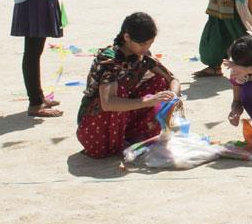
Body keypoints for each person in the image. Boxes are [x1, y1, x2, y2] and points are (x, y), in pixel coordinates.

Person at [76, 12, 182, 158]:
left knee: (160, 82)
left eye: (149, 44)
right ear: (126, 38)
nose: (146, 48)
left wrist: (172, 97)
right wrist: (147, 101)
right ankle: (114, 142)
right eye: (142, 44)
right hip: (97, 125)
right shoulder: (110, 60)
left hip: (123, 118)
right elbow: (107, 103)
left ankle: (131, 135)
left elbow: (172, 79)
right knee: (119, 92)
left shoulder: (143, 55)